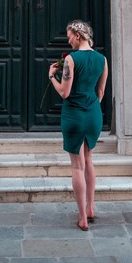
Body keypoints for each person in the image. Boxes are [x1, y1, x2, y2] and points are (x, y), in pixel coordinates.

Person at [48, 20, 108, 232]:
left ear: (78, 36)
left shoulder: (72, 60)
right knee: (89, 159)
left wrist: (51, 76)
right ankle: (91, 208)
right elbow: (100, 92)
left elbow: (64, 92)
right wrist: (90, 108)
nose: (69, 40)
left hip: (73, 115)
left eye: (70, 36)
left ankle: (82, 218)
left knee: (77, 166)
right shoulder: (102, 59)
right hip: (93, 115)